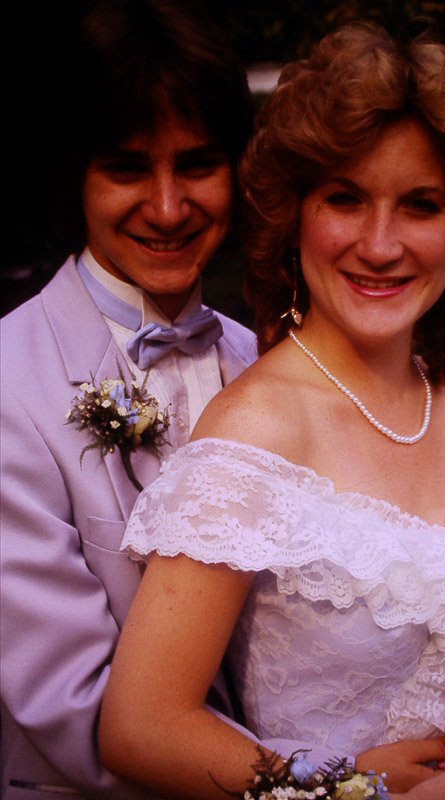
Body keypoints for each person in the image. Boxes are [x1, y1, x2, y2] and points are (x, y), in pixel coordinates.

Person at [98, 22, 445, 800]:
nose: (380, 244)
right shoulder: (257, 432)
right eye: (345, 199)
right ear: (294, 216)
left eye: (420, 205)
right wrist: (351, 787)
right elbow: (142, 727)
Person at [0, 0, 258, 797]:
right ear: (75, 174)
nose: (169, 206)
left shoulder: (268, 364)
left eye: (198, 165)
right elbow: (74, 709)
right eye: (127, 168)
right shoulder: (9, 382)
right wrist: (328, 779)